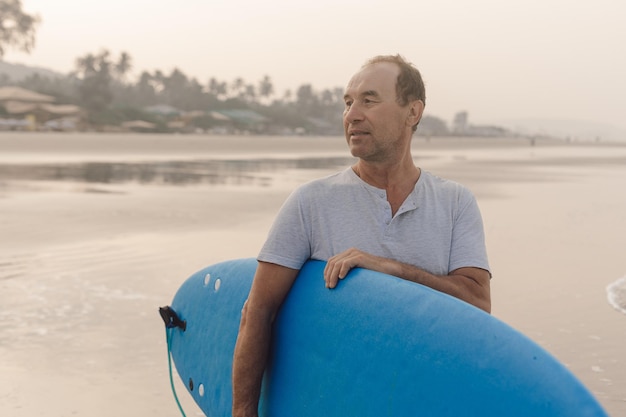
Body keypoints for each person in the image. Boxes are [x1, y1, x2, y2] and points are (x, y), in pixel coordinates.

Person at [232, 54, 491, 417]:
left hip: (423, 398)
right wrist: (243, 413)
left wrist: (389, 268)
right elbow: (258, 311)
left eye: (369, 100)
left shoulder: (455, 202)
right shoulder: (311, 202)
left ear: (412, 113)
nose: (352, 115)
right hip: (334, 398)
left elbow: (478, 304)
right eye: (348, 103)